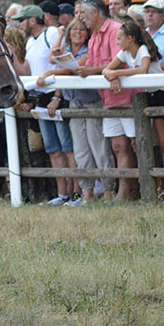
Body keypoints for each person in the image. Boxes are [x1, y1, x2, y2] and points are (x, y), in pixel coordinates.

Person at [103, 18, 164, 204]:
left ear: (130, 38)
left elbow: (143, 69)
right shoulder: (125, 53)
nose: (117, 42)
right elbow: (107, 69)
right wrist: (112, 75)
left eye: (119, 38)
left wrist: (116, 74)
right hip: (153, 97)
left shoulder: (142, 50)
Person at [37, 16, 113, 204]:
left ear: (87, 33)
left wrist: (49, 72)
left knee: (99, 147)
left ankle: (108, 189)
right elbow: (51, 57)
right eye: (74, 29)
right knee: (81, 150)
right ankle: (86, 191)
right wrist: (60, 35)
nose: (78, 32)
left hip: (92, 102)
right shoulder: (67, 50)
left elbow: (76, 68)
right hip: (75, 104)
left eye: (81, 29)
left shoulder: (89, 50)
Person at [12, 5, 76, 205]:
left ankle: (76, 192)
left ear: (32, 20)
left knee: (67, 148)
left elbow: (58, 63)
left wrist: (58, 96)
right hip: (40, 98)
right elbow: (27, 71)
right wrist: (10, 54)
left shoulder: (52, 33)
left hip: (55, 95)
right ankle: (63, 194)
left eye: (22, 20)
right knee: (53, 149)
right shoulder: (30, 42)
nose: (20, 24)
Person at [76, 0, 136, 201]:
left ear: (94, 13)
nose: (80, 18)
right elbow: (92, 65)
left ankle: (144, 188)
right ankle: (124, 191)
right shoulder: (94, 36)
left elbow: (119, 61)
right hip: (109, 98)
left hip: (126, 95)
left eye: (83, 13)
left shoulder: (114, 30)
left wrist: (90, 70)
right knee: (118, 146)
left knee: (138, 143)